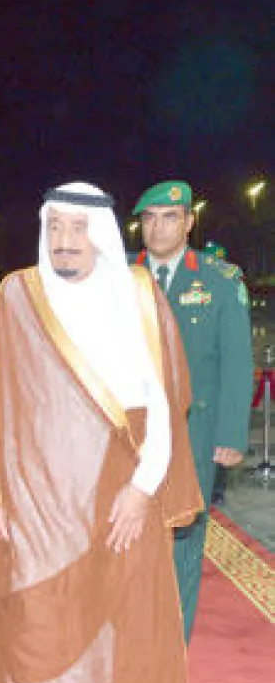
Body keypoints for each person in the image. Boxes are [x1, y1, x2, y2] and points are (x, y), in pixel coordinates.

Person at [0, 182, 200, 683]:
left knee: (103, 619)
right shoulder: (19, 296)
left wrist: (142, 489)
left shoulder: (137, 295)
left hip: (112, 488)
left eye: (77, 228)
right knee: (35, 619)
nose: (64, 241)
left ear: (99, 233)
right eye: (55, 228)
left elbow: (161, 405)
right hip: (34, 491)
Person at [131, 180, 253, 641]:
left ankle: (173, 641)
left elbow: (236, 361)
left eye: (169, 218)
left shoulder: (219, 280)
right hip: (132, 430)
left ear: (188, 222)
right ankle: (132, 631)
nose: (158, 228)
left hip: (194, 429)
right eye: (149, 218)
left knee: (184, 531)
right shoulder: (121, 277)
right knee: (130, 528)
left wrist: (230, 435)